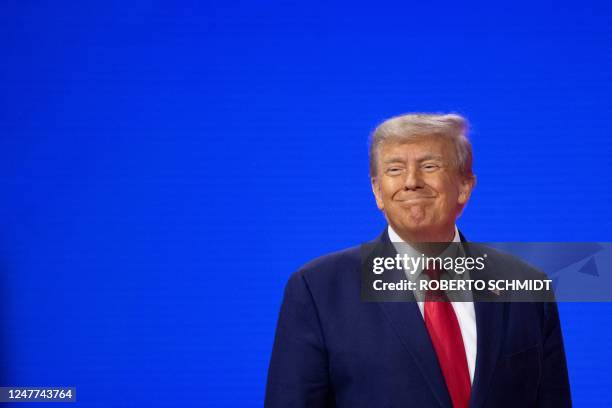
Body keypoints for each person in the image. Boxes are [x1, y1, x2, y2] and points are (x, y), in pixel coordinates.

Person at [265, 113, 571, 407]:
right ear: (377, 191)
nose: (411, 181)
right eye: (395, 169)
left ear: (464, 185)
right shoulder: (318, 290)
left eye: (429, 165)